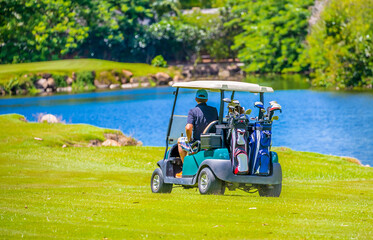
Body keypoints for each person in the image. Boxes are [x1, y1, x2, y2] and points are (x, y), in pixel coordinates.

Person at [177, 89, 218, 178]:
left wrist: (189, 139)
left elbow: (188, 127)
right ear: (206, 100)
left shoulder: (193, 111)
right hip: (212, 142)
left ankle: (185, 168)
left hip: (198, 143)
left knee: (180, 141)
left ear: (196, 99)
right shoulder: (214, 110)